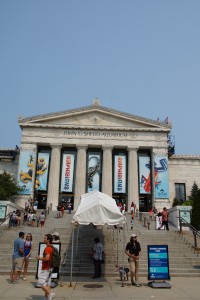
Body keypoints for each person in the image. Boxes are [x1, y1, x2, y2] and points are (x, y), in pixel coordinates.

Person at [36, 234, 55, 300]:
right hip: (50, 268)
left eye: (45, 238)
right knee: (48, 283)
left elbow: (47, 258)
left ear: (48, 240)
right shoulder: (51, 247)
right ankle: (47, 298)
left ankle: (50, 294)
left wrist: (39, 258)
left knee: (40, 283)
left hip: (46, 268)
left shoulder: (47, 248)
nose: (44, 239)